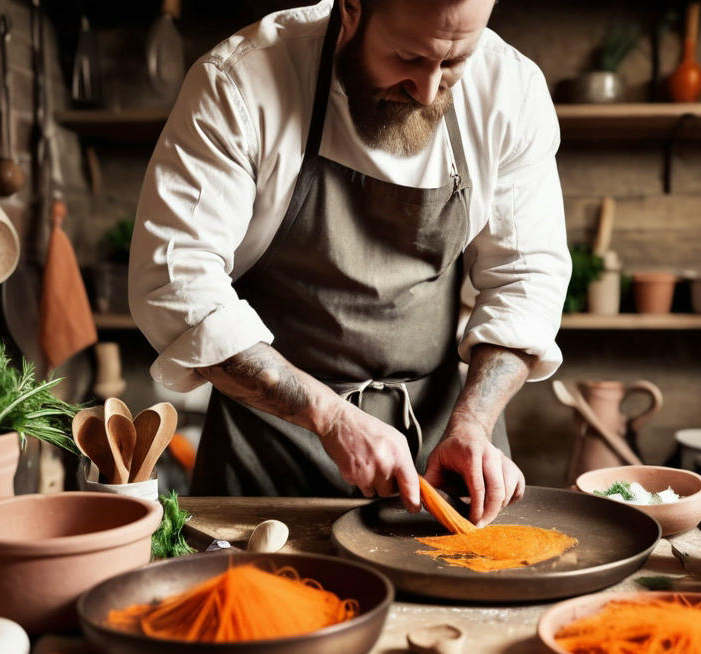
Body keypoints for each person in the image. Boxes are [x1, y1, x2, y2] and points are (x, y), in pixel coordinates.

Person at [129, 0, 569, 526]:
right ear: (351, 10)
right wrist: (332, 417)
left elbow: (527, 278)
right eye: (408, 56)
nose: (428, 91)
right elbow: (176, 284)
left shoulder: (509, 91)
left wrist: (472, 424)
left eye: (453, 64)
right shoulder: (240, 82)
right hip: (270, 453)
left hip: (440, 452)